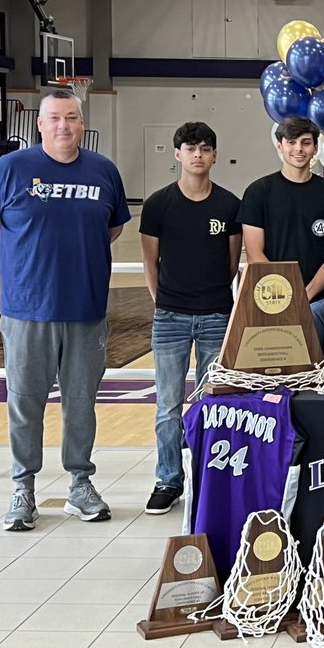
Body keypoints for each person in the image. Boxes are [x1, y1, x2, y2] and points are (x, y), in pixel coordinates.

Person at [0, 89, 130, 531]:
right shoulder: (11, 169)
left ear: (82, 124)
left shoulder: (103, 172)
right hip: (26, 311)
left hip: (85, 309)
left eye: (72, 118)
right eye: (55, 118)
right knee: (25, 403)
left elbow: (113, 226)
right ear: (39, 124)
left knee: (81, 403)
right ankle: (23, 488)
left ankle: (80, 483)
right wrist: (11, 261)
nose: (64, 125)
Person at [139, 121, 241, 515]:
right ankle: (168, 479)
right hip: (170, 317)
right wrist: (164, 302)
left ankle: (207, 477)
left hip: (217, 315)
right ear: (177, 154)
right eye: (190, 148)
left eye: (205, 148)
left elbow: (232, 264)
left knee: (212, 401)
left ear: (214, 155)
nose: (197, 154)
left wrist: (212, 300)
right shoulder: (158, 204)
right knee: (167, 404)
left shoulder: (229, 205)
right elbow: (151, 262)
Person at [239, 116, 324, 301]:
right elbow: (255, 254)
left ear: (315, 148)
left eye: (306, 143)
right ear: (280, 146)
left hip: (319, 301)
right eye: (291, 142)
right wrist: (284, 294)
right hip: (272, 298)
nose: (298, 149)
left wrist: (306, 294)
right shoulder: (258, 192)